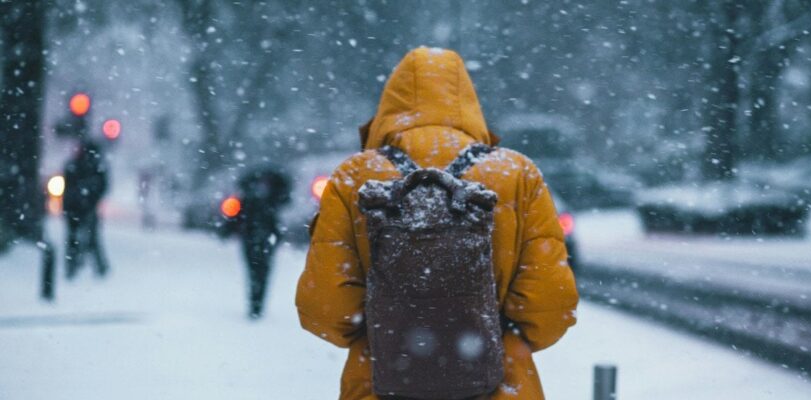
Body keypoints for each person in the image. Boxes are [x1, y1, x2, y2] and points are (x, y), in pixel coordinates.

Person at [296, 47, 579, 399]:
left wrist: (390, 333)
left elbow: (324, 311)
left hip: (378, 385)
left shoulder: (355, 177)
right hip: (499, 386)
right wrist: (486, 337)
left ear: (389, 106)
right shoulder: (516, 174)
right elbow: (551, 307)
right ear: (468, 102)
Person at [221, 167, 290, 319]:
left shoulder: (249, 196)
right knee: (261, 271)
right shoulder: (272, 197)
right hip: (263, 238)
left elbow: (235, 216)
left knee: (254, 271)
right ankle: (257, 304)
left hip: (252, 237)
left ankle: (255, 303)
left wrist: (227, 231)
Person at [63, 139, 109, 279]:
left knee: (77, 238)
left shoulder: (75, 165)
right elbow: (102, 186)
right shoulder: (94, 167)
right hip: (81, 207)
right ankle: (97, 267)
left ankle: (73, 267)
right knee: (90, 238)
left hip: (77, 207)